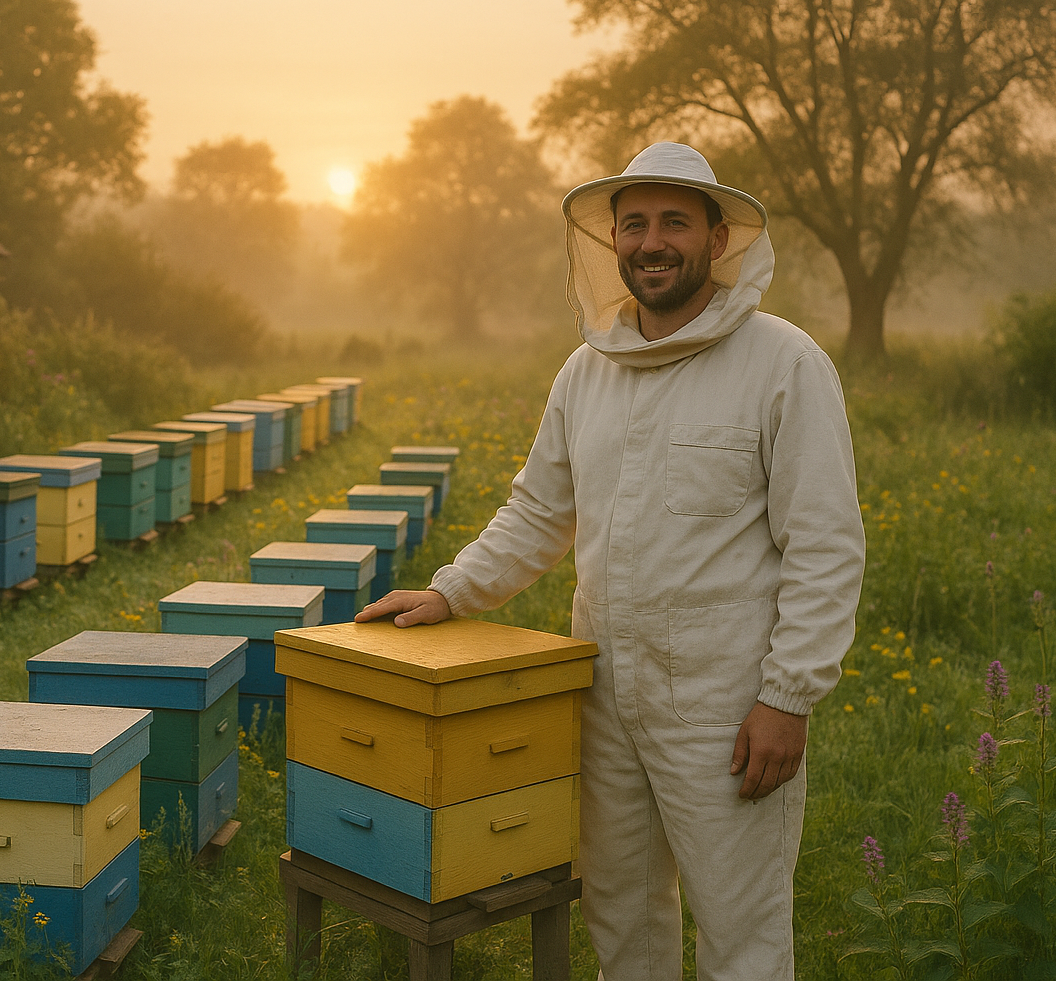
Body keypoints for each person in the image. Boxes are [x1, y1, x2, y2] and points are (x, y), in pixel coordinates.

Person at [356, 142, 865, 981]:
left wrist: (788, 696)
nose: (650, 242)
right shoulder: (586, 373)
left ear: (718, 236)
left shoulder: (784, 364)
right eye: (634, 225)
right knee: (621, 919)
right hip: (603, 698)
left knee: (742, 936)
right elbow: (538, 514)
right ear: (612, 242)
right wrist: (451, 593)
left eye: (673, 222)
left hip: (726, 706)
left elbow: (825, 545)